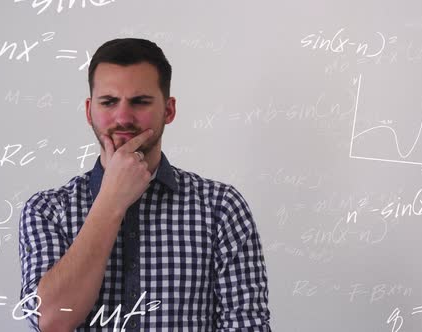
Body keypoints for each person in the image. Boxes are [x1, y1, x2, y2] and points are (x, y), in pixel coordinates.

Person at [18, 38, 271, 331]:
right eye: (109, 102)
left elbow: (247, 325)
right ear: (89, 111)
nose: (123, 117)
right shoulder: (48, 211)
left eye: (140, 102)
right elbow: (51, 320)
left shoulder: (221, 207)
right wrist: (111, 201)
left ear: (169, 110)